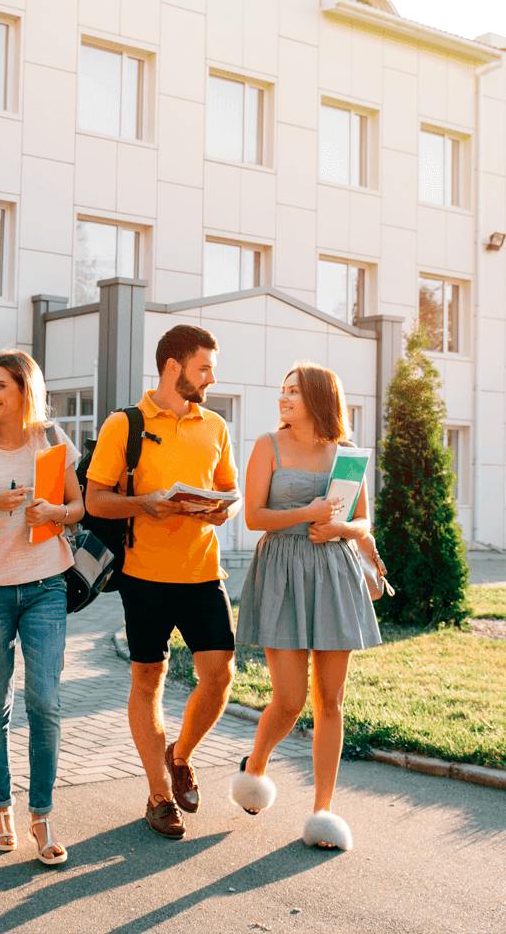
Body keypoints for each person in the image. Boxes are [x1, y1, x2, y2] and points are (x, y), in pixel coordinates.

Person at [85, 324, 240, 840]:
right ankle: (157, 794)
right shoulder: (123, 424)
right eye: (204, 368)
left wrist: (219, 511)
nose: (211, 378)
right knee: (147, 681)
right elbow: (95, 500)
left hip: (202, 572)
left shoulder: (214, 426)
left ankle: (181, 756)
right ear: (174, 366)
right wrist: (144, 505)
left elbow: (227, 488)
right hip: (144, 576)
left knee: (219, 676)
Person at [230, 362, 381, 852]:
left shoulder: (347, 456)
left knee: (331, 701)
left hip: (334, 574)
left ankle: (323, 809)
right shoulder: (266, 446)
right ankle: (255, 768)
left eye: (293, 391)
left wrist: (340, 529)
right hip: (282, 572)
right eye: (282, 390)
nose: (283, 398)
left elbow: (363, 521)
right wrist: (309, 513)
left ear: (318, 398)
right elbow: (254, 517)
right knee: (291, 698)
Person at [0, 350, 84, 865]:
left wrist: (55, 512)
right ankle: (1, 806)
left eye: (0, 385)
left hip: (46, 584)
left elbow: (78, 506)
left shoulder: (50, 440)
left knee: (44, 701)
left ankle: (42, 814)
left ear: (25, 390)